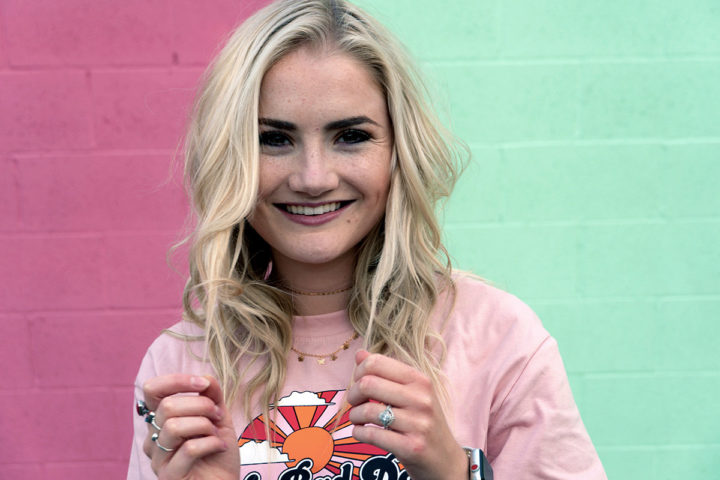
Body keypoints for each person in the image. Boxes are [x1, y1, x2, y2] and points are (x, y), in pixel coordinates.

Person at [128, 1, 607, 479]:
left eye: (351, 136)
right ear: (230, 158)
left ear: (400, 151)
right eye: (274, 139)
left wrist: (455, 473)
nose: (313, 178)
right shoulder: (181, 368)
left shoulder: (499, 338)